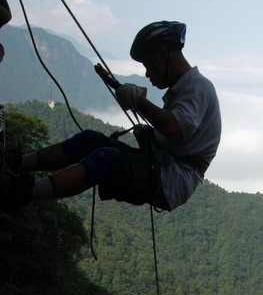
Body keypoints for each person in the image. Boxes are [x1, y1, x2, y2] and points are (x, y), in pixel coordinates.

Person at [0, 20, 221, 212]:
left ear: (162, 54)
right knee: (90, 140)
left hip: (172, 180)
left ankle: (17, 193)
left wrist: (139, 101)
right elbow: (177, 136)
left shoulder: (197, 87)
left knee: (105, 160)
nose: (147, 73)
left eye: (147, 65)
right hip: (163, 167)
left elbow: (176, 128)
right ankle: (15, 163)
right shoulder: (184, 89)